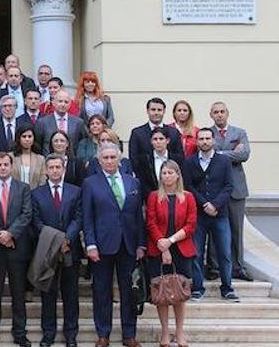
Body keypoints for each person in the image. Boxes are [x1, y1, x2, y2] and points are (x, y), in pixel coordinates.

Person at [82, 143, 146, 347]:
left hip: (128, 244)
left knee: (129, 290)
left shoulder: (133, 182)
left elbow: (138, 217)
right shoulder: (90, 183)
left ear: (120, 159)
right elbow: (87, 217)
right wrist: (90, 244)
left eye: (112, 157)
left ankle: (129, 334)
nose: (109, 161)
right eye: (105, 158)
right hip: (102, 245)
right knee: (101, 291)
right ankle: (103, 333)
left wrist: (141, 244)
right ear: (99, 160)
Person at [31, 154, 83, 347]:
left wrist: (66, 238)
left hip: (70, 249)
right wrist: (56, 240)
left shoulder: (76, 191)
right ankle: (48, 333)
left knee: (71, 294)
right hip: (47, 251)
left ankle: (71, 334)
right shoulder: (36, 194)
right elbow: (36, 222)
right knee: (48, 294)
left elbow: (79, 217)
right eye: (51, 167)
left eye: (58, 167)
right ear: (46, 170)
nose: (54, 171)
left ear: (63, 169)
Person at [0, 152, 33, 347]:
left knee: (18, 293)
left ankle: (20, 332)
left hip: (17, 247)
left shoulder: (23, 188)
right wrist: (1, 235)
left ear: (12, 167)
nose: (3, 168)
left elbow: (27, 214)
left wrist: (10, 234)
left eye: (6, 164)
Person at [182, 129, 238, 301]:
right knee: (196, 253)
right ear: (197, 141)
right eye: (201, 139)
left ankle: (227, 288)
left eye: (207, 138)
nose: (204, 141)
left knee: (224, 253)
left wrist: (215, 204)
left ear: (213, 140)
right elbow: (188, 186)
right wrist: (204, 203)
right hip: (198, 215)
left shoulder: (224, 161)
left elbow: (228, 186)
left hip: (220, 214)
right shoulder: (190, 162)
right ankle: (198, 288)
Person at [146, 160, 197, 347]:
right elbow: (150, 222)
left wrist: (171, 241)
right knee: (161, 292)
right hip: (158, 247)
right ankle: (165, 333)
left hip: (181, 248)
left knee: (179, 292)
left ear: (177, 175)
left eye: (170, 173)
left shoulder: (188, 197)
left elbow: (191, 225)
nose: (166, 176)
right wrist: (164, 246)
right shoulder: (153, 196)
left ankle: (180, 332)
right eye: (163, 173)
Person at [209, 101, 253, 281]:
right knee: (213, 230)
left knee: (237, 229)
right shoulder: (206, 133)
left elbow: (244, 155)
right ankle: (214, 267)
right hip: (215, 189)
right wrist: (231, 152)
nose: (219, 115)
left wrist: (219, 153)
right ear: (211, 115)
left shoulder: (239, 132)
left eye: (222, 112)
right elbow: (207, 154)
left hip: (237, 189)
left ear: (227, 113)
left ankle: (238, 267)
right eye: (216, 112)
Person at [128, 98, 184, 167]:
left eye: (159, 110)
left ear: (164, 111)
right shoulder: (137, 133)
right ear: (148, 111)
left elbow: (180, 158)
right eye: (153, 110)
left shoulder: (174, 133)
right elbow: (133, 159)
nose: (156, 113)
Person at [132, 126, 185, 196]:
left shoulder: (178, 159)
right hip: (151, 198)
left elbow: (182, 179)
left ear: (167, 140)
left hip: (175, 197)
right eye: (155, 139)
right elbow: (143, 182)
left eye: (161, 139)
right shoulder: (144, 160)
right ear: (151, 141)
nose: (158, 142)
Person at [35, 90, 85, 155]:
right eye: (60, 101)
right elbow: (38, 145)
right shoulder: (42, 122)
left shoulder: (78, 122)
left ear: (70, 104)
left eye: (66, 102)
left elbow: (81, 143)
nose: (63, 104)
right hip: (49, 161)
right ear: (53, 103)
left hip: (71, 162)